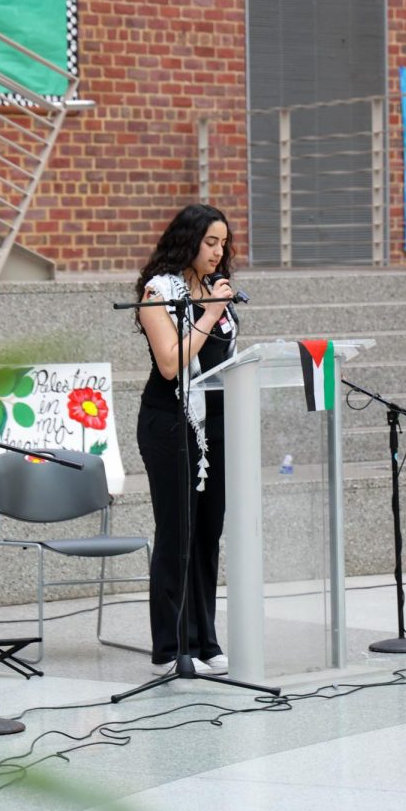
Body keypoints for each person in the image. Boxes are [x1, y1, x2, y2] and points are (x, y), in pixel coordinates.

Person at [135, 203, 240, 676]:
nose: (218, 252)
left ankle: (205, 639)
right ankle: (169, 645)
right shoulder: (159, 291)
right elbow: (172, 365)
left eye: (223, 243)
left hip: (217, 424)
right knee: (178, 532)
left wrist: (217, 305)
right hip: (170, 423)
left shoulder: (215, 291)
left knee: (208, 534)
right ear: (188, 240)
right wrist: (211, 310)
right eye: (210, 242)